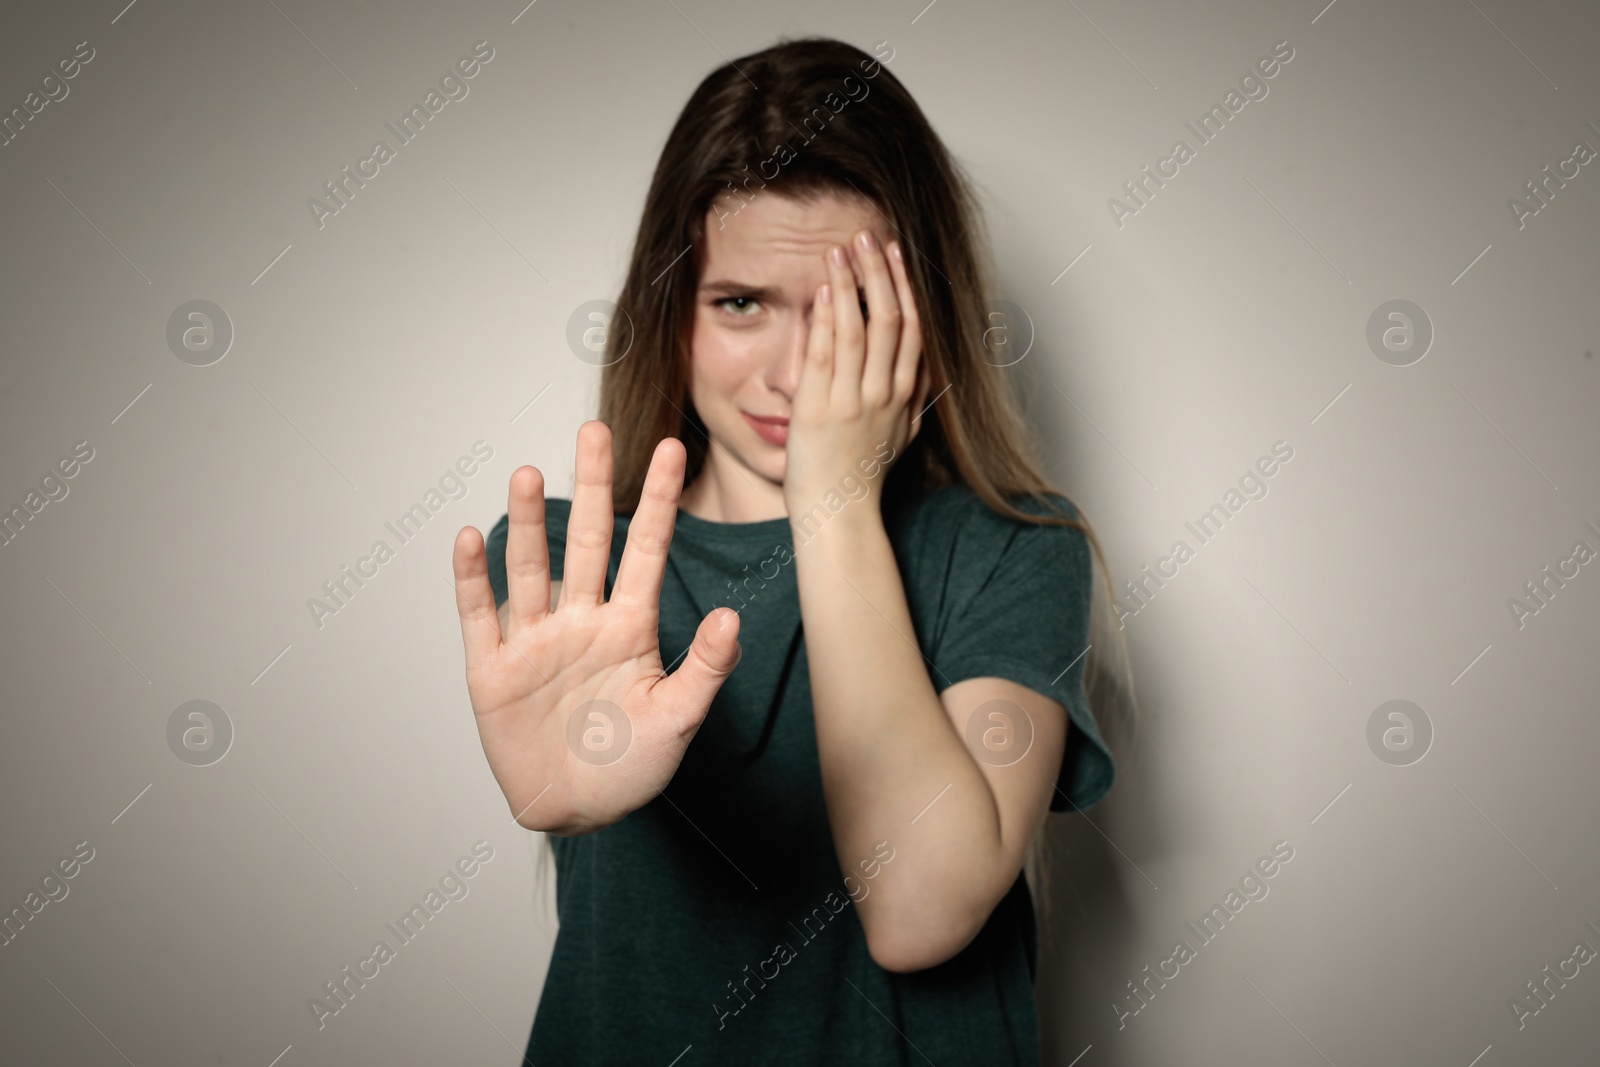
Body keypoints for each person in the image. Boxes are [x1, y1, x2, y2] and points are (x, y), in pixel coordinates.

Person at [450, 35, 1126, 1066]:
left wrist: (835, 498)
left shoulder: (1009, 550)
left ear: (926, 318)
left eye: (848, 311)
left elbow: (918, 908)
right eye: (740, 304)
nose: (791, 373)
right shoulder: (570, 567)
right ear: (669, 309)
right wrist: (571, 787)